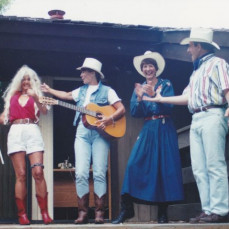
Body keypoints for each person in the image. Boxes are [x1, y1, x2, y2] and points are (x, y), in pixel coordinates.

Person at [143, 28, 229, 223]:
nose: (188, 50)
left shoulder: (218, 63)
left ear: (199, 46)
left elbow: (227, 88)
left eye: (190, 46)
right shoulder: (196, 71)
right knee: (199, 168)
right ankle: (208, 210)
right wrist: (161, 98)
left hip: (213, 114)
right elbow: (187, 97)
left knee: (214, 164)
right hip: (197, 118)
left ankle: (220, 210)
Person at [41, 57, 125, 224]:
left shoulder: (108, 91)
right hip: (82, 132)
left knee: (100, 172)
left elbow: (121, 109)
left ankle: (99, 213)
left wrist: (109, 119)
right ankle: (83, 213)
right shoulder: (81, 91)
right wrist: (50, 90)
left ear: (93, 73)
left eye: (84, 72)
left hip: (101, 134)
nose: (81, 75)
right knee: (80, 173)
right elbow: (65, 95)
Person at [112, 51, 184, 224]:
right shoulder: (139, 86)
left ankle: (162, 214)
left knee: (164, 168)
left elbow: (168, 107)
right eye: (145, 66)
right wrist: (138, 97)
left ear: (156, 68)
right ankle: (127, 209)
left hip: (164, 128)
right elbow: (136, 112)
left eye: (150, 65)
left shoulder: (166, 84)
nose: (148, 69)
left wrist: (152, 95)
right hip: (148, 128)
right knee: (133, 165)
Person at [0, 65, 52, 225]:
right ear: (19, 81)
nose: (26, 82)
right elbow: (4, 117)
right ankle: (22, 215)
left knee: (38, 172)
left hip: (32, 130)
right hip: (16, 132)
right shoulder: (12, 96)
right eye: (23, 79)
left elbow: (44, 111)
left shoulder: (37, 96)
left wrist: (36, 97)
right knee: (21, 175)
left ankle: (44, 213)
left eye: (29, 79)